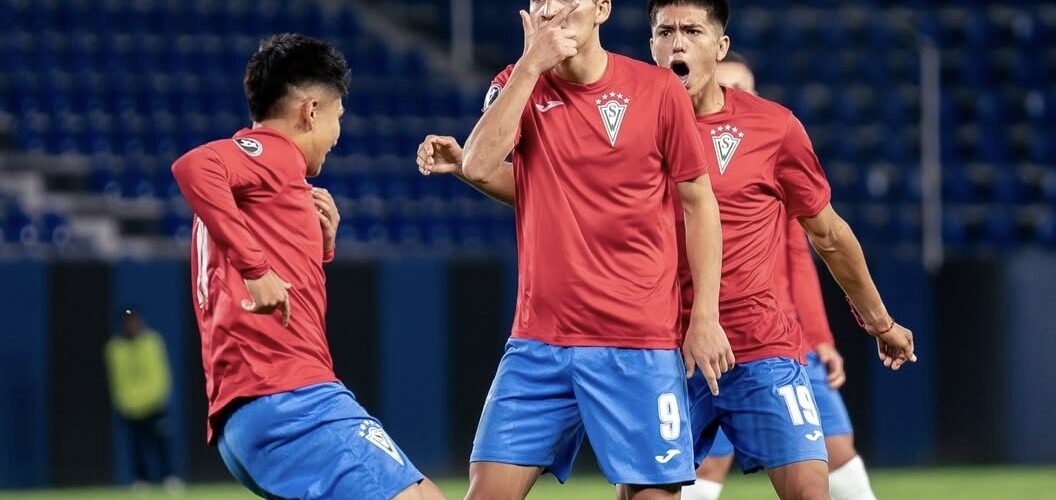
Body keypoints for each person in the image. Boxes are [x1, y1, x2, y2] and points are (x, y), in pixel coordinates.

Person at [419, 2, 914, 499]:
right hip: (631, 342)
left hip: (738, 342)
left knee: (811, 486)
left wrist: (876, 321)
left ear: (720, 46)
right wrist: (482, 144)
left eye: (693, 31)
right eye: (665, 31)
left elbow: (823, 236)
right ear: (651, 41)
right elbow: (552, 189)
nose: (678, 43)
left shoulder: (758, 124)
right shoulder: (618, 98)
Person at [447, 0, 730, 498]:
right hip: (539, 341)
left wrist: (704, 317)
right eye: (540, 0)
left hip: (638, 342)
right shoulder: (518, 82)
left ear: (601, 8)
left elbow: (699, 203)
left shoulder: (658, 89)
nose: (551, 9)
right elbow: (478, 165)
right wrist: (530, 66)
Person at [172, 33, 444, 500]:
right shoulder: (270, 155)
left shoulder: (253, 182)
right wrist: (257, 270)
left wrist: (322, 248)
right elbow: (194, 166)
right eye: (338, 116)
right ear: (311, 111)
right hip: (289, 400)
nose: (337, 135)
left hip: (258, 409)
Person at [683, 51, 879, 500]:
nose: (733, 94)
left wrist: (820, 338)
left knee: (836, 451)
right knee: (705, 463)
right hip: (701, 337)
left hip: (780, 340)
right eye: (726, 84)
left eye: (743, 87)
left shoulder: (768, 157)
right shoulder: (675, 156)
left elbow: (800, 260)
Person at [104, 308, 183, 492]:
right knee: (136, 447)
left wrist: (159, 397)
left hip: (155, 405)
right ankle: (141, 480)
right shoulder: (115, 348)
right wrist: (124, 403)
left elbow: (160, 372)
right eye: (128, 321)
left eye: (135, 320)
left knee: (162, 444)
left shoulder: (151, 341)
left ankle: (170, 477)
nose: (132, 325)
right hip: (130, 408)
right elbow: (117, 379)